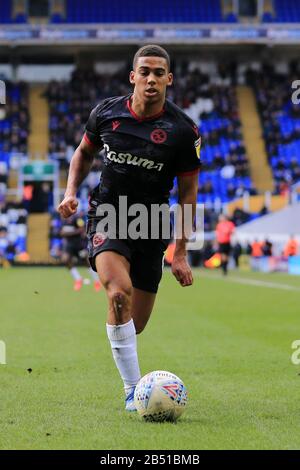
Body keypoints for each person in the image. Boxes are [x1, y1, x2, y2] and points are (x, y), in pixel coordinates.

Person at [57, 45, 201, 411]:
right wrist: (71, 191)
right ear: (132, 76)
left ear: (169, 79)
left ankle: (126, 353)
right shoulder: (106, 113)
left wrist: (179, 252)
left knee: (133, 325)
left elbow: (188, 194)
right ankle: (133, 392)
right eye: (144, 71)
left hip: (152, 224)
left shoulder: (183, 131)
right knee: (118, 294)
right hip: (109, 213)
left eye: (158, 73)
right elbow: (83, 153)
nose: (151, 79)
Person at [60, 213, 101, 292]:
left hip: (78, 244)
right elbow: (61, 232)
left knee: (87, 262)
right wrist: (70, 232)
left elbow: (82, 229)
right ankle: (78, 279)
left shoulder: (77, 218)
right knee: (65, 259)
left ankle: (97, 281)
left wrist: (69, 233)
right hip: (69, 245)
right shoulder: (64, 219)